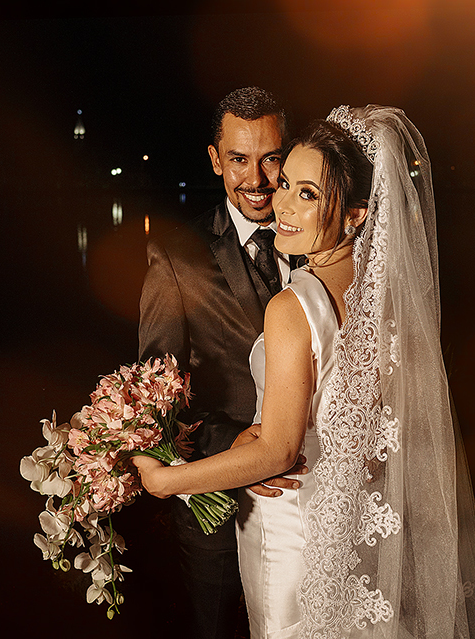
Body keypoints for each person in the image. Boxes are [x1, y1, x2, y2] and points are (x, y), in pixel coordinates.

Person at [136, 105, 475, 639]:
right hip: (355, 526)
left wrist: (166, 481)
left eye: (308, 194)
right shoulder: (387, 298)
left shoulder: (292, 307)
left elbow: (277, 451)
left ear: (357, 216)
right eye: (287, 186)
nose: (282, 205)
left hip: (292, 528)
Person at [137, 86, 307, 639]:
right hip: (218, 509)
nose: (255, 180)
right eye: (238, 159)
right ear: (215, 159)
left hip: (314, 496)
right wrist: (232, 444)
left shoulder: (321, 240)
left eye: (271, 157)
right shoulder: (176, 253)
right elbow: (154, 399)